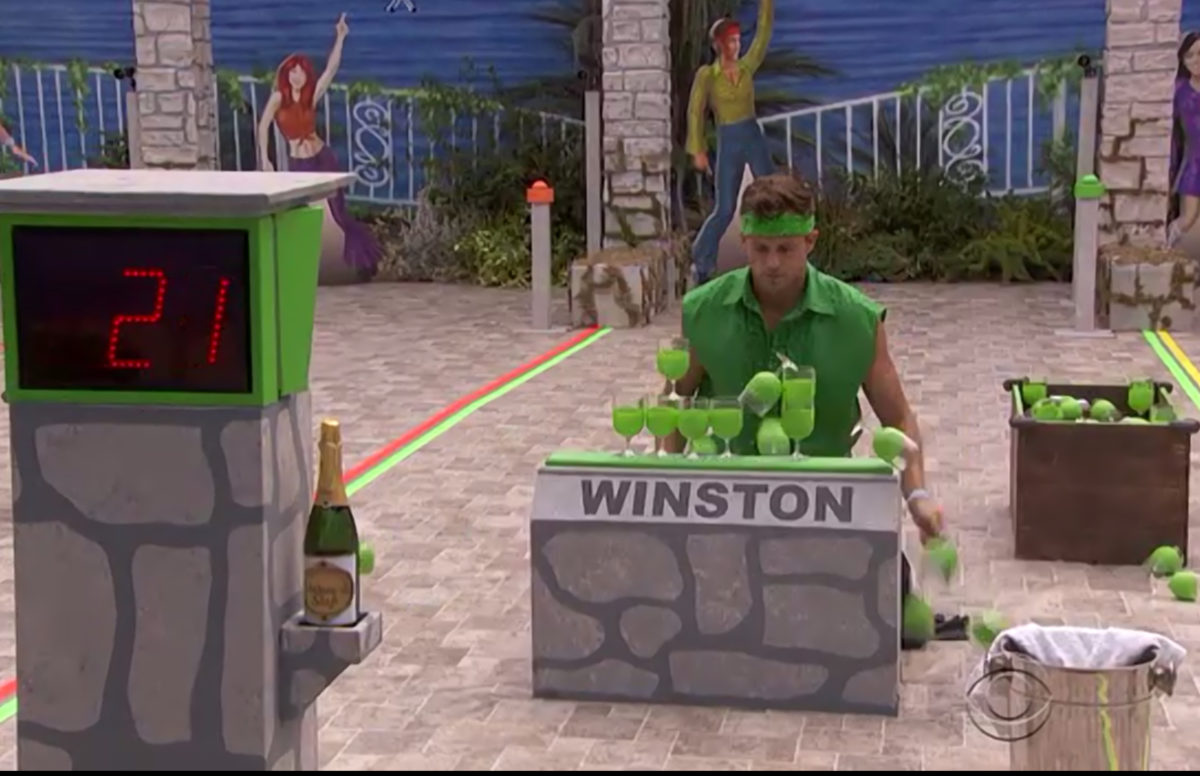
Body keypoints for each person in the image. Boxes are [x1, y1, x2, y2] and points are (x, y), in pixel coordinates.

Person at [664, 171, 964, 648]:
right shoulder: (702, 310)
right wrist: (662, 483)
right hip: (726, 503)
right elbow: (677, 402)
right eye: (761, 249)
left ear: (811, 241)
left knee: (883, 625)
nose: (772, 263)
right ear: (744, 243)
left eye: (786, 249)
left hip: (824, 505)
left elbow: (899, 418)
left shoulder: (856, 318)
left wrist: (918, 496)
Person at [257, 13, 382, 280]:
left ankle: (356, 263)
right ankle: (310, 264)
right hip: (300, 162)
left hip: (322, 157)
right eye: (293, 71)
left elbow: (331, 70)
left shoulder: (311, 97)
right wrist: (265, 159)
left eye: (301, 71)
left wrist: (340, 37)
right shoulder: (278, 98)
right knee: (305, 212)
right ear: (286, 74)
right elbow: (263, 126)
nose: (297, 76)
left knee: (337, 212)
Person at [686, 0, 777, 287]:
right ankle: (701, 261)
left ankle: (784, 259)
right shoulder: (708, 76)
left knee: (774, 194)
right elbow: (695, 111)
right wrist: (698, 149)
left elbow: (763, 34)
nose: (737, 46)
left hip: (751, 134)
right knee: (724, 208)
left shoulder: (747, 68)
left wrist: (766, 4)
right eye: (731, 41)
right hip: (728, 138)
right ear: (718, 45)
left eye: (738, 40)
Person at [1170, 31, 1200, 247]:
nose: (1196, 60)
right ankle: (1165, 246)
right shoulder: (1179, 89)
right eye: (1190, 55)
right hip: (1195, 163)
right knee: (1187, 219)